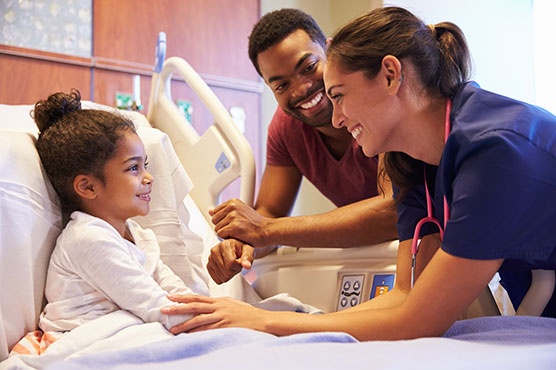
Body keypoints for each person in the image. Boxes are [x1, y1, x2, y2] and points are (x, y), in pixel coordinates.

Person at [162, 6, 556, 340]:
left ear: (389, 74)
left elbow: (421, 318)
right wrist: (304, 323)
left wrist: (266, 322)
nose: (333, 117)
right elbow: (406, 295)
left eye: (338, 96)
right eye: (280, 84)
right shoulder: (413, 162)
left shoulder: (495, 151)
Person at [207, 8, 398, 284]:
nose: (300, 90)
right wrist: (241, 243)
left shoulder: (378, 101)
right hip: (376, 259)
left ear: (330, 51)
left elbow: (392, 211)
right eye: (281, 85)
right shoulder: (286, 129)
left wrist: (265, 229)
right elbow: (269, 212)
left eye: (309, 67)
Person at [33, 90, 195, 333]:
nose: (149, 177)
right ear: (88, 186)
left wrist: (217, 310)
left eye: (145, 165)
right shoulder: (87, 239)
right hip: (90, 341)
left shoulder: (137, 234)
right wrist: (229, 322)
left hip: (130, 332)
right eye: (133, 168)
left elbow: (178, 295)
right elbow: (160, 309)